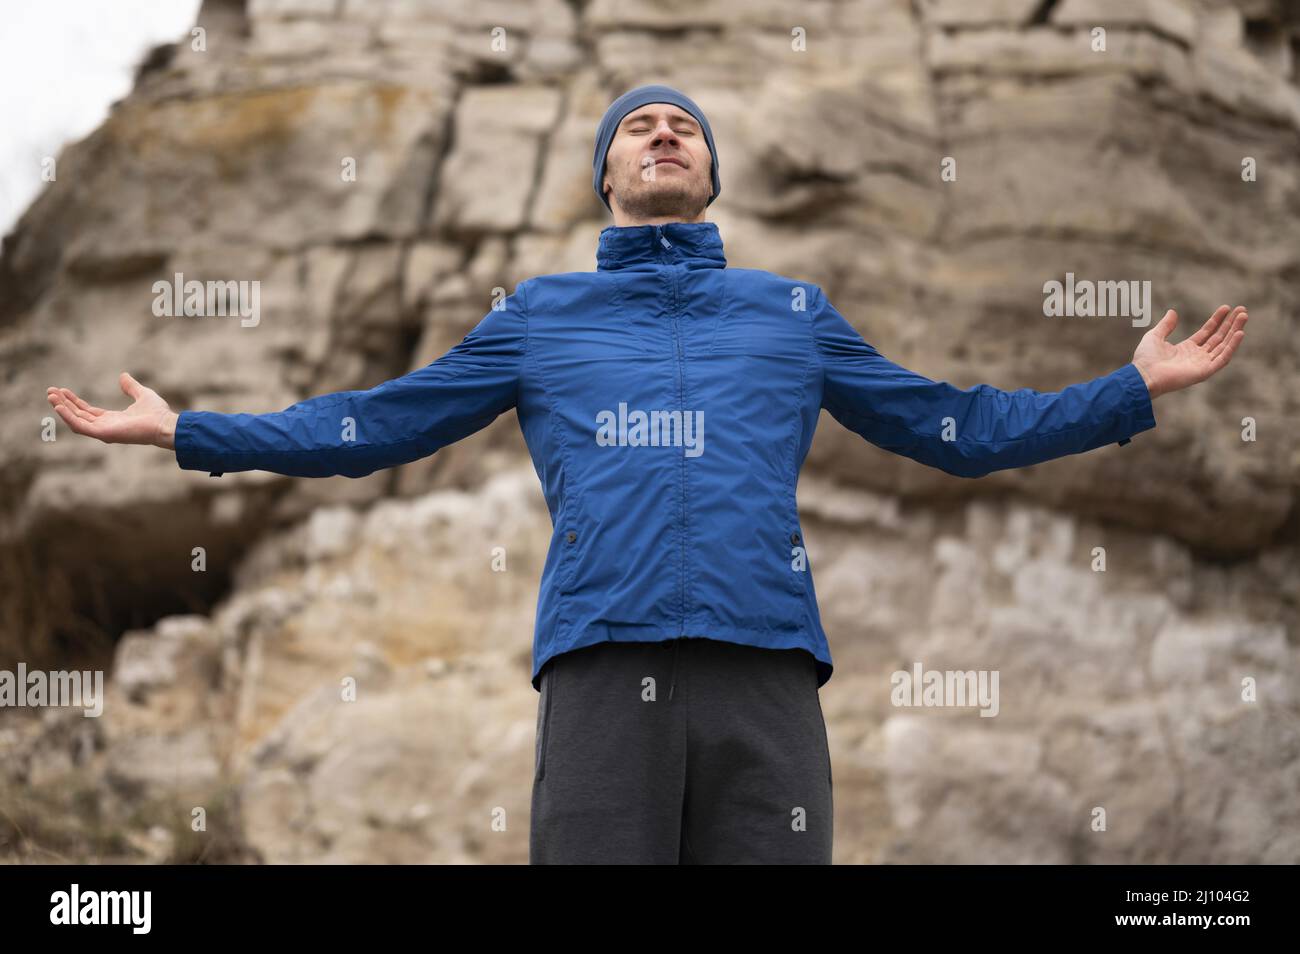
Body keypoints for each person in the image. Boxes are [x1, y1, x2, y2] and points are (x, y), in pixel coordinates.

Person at [46, 84, 1248, 865]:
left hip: (766, 676)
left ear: (711, 179)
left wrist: (1127, 390)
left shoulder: (790, 313)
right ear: (606, 179)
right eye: (638, 127)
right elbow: (377, 422)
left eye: (685, 128)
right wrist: (189, 431)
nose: (664, 134)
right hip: (601, 666)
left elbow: (954, 427)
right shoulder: (537, 316)